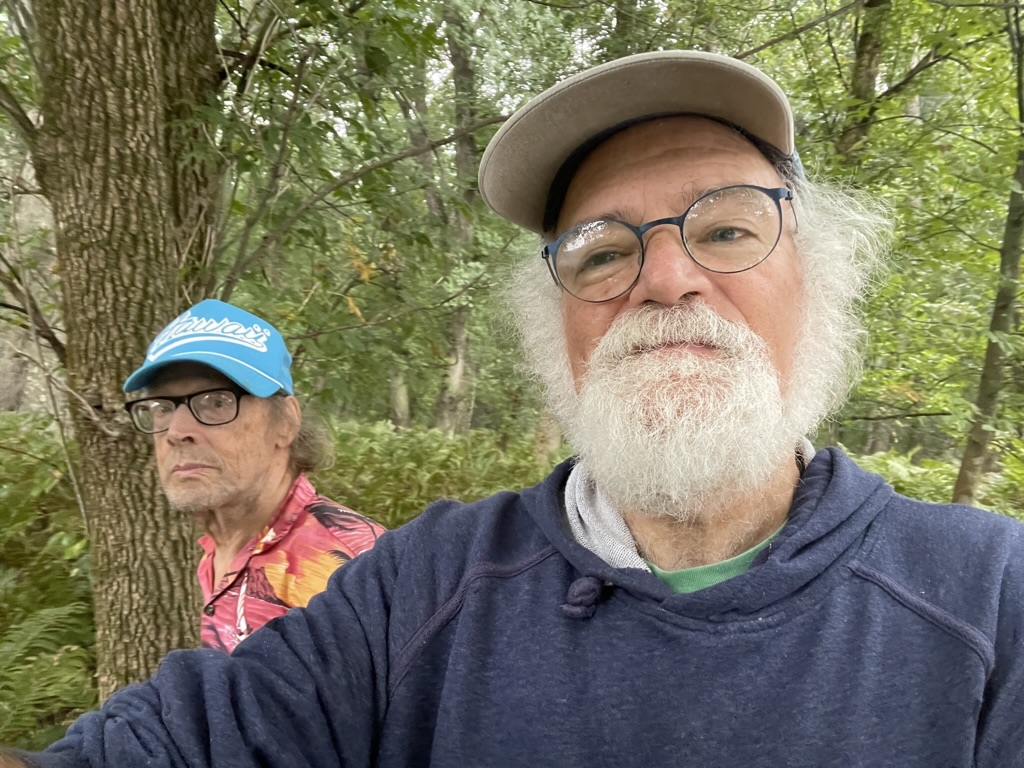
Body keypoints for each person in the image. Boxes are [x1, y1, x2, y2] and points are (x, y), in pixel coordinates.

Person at [6, 50, 1024, 767]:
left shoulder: (992, 598)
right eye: (603, 251)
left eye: (725, 231)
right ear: (557, 326)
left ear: (818, 280)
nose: (664, 278)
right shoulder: (419, 589)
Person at [121, 298, 384, 652]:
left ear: (286, 421)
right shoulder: (218, 550)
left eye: (216, 402)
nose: (176, 432)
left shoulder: (352, 570)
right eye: (161, 408)